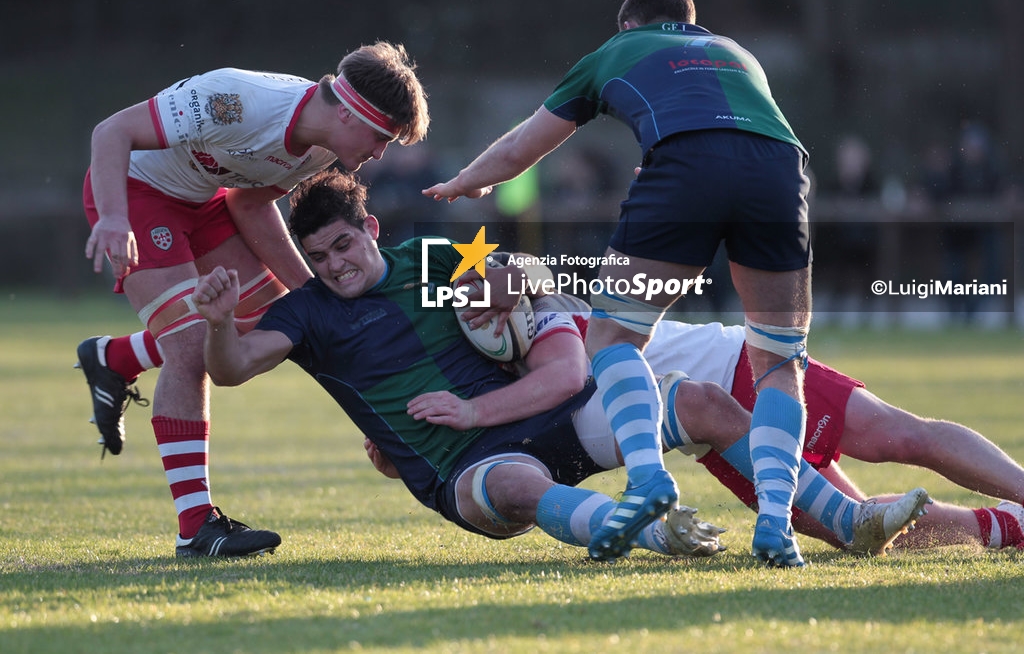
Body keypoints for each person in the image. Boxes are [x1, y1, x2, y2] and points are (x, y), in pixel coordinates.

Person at [194, 169, 932, 562]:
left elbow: (523, 268)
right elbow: (233, 368)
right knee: (520, 482)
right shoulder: (308, 314)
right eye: (318, 258)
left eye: (343, 248)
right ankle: (653, 532)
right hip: (465, 472)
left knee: (699, 402)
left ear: (370, 231)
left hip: (545, 418)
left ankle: (848, 519)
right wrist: (223, 321)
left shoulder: (427, 259)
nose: (334, 267)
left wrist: (507, 277)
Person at [423, 0, 813, 566]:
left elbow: (522, 149)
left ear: (629, 26)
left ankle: (649, 478)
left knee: (612, 337)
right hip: (780, 171)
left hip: (685, 168)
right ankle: (777, 523)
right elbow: (734, 130)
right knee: (781, 360)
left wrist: (465, 181)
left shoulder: (612, 52)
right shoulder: (737, 52)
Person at [76, 42, 430, 558]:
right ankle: (196, 527)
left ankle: (116, 359)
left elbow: (248, 200)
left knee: (284, 326)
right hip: (137, 194)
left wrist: (313, 294)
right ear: (350, 113)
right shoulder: (238, 100)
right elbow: (112, 132)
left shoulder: (326, 145)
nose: (381, 153)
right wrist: (112, 216)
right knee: (193, 348)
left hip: (207, 203)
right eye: (382, 137)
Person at [492, 292, 1024, 552]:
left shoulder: (542, 313)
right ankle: (1009, 528)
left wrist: (470, 410)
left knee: (901, 436)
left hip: (744, 367)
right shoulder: (491, 367)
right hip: (719, 441)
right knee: (856, 527)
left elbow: (559, 359)